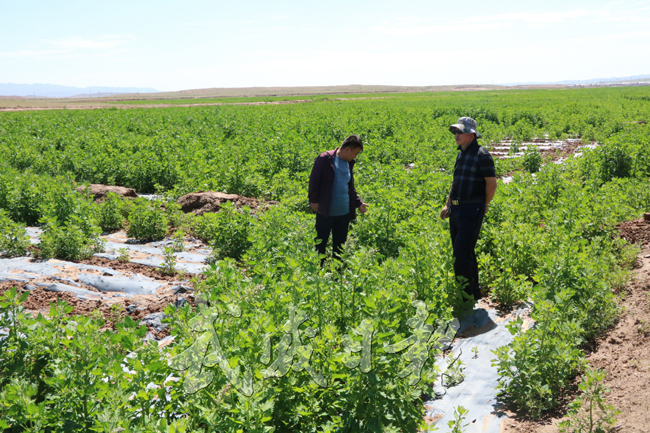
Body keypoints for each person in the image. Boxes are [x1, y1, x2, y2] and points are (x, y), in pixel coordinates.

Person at [440, 117, 497, 301]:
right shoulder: (461, 153)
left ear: (471, 134)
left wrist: (485, 205)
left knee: (461, 254)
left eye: (460, 132)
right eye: (455, 132)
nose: (456, 135)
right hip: (456, 210)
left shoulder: (482, 155)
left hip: (472, 210)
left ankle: (465, 298)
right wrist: (447, 204)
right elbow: (455, 183)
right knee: (466, 252)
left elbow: (492, 183)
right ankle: (473, 291)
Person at [308, 135, 368, 262]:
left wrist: (359, 203)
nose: (356, 157)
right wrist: (314, 200)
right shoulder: (325, 159)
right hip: (326, 210)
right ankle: (318, 273)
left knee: (340, 247)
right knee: (320, 244)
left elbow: (349, 186)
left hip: (344, 213)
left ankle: (338, 275)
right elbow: (314, 180)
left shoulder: (349, 163)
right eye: (355, 153)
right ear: (347, 149)